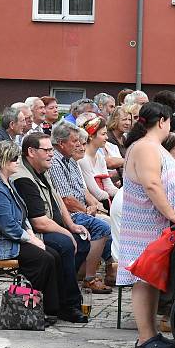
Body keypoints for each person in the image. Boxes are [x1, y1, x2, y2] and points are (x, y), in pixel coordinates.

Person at [117, 102, 175, 348]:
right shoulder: (146, 147)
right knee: (143, 278)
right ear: (162, 121)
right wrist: (171, 213)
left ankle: (150, 333)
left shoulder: (150, 146)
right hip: (145, 222)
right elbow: (151, 184)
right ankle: (145, 336)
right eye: (170, 121)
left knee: (150, 279)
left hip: (153, 223)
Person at [0, 141, 61, 320]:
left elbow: (22, 214)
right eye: (13, 158)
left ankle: (49, 307)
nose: (17, 161)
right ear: (2, 161)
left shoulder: (7, 182)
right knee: (43, 259)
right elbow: (8, 226)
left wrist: (31, 234)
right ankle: (32, 307)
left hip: (8, 237)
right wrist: (31, 239)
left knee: (54, 254)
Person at [11, 132, 92, 322]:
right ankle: (68, 305)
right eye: (46, 150)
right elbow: (38, 221)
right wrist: (66, 233)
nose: (51, 154)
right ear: (31, 152)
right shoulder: (23, 177)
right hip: (32, 232)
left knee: (82, 239)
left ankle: (60, 293)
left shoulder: (42, 169)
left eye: (51, 150)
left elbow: (57, 199)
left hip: (50, 225)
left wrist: (72, 225)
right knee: (65, 244)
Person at [49, 120, 114, 294]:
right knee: (102, 226)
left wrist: (93, 203)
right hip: (67, 213)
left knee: (108, 223)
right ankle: (89, 278)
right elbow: (66, 200)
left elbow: (82, 189)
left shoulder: (70, 160)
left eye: (80, 141)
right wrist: (87, 210)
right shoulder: (55, 163)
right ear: (61, 143)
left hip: (80, 209)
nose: (78, 144)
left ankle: (107, 268)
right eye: (74, 141)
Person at [78, 115, 118, 207]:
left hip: (104, 201)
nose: (107, 137)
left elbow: (108, 186)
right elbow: (96, 193)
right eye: (103, 134)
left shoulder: (100, 157)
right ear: (91, 136)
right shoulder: (83, 159)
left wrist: (122, 194)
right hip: (91, 205)